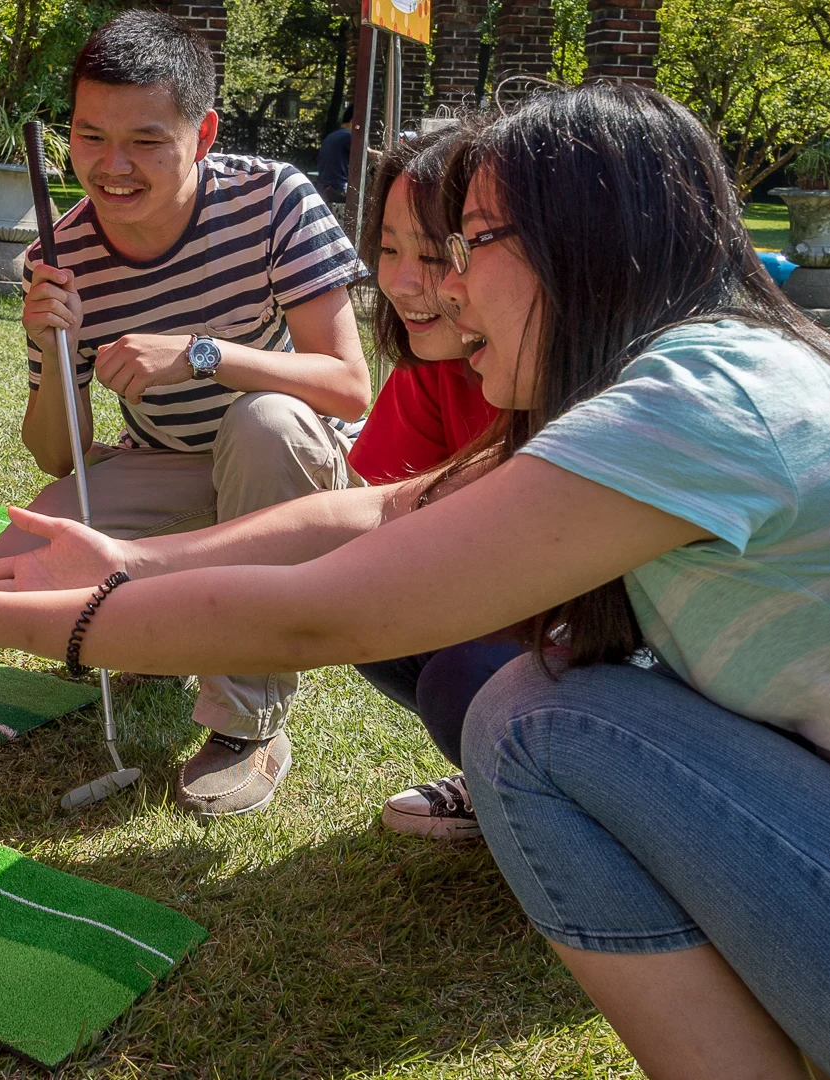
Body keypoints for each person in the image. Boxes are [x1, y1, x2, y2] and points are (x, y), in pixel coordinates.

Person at [0, 84, 830, 1075]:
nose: (444, 290)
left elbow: (322, 615)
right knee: (535, 709)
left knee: (538, 723)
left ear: (584, 242)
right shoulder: (696, 374)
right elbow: (386, 510)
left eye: (470, 244)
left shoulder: (697, 402)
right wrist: (127, 562)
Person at [6, 10, 371, 817]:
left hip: (292, 468)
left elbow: (348, 385)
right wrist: (51, 348)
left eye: (145, 141)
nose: (112, 167)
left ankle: (248, 723)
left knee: (262, 423)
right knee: (23, 556)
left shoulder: (273, 198)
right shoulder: (57, 257)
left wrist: (203, 352)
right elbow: (58, 457)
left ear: (201, 133)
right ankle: (166, 633)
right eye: (90, 137)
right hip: (166, 463)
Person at [345, 128, 519, 840]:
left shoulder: (611, 382)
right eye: (388, 250)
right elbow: (377, 521)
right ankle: (503, 772)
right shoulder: (433, 365)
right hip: (529, 603)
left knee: (468, 678)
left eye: (438, 254)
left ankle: (534, 784)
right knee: (364, 601)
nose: (403, 282)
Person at [315, 105, 354, 207]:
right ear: (354, 121)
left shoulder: (332, 136)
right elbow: (366, 153)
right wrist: (383, 155)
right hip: (338, 189)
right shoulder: (348, 136)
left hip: (323, 189)